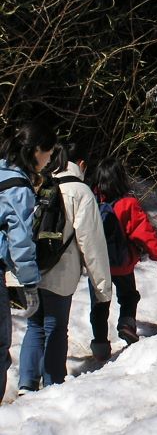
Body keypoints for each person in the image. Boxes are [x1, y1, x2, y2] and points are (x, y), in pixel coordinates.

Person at [18, 143, 112, 389]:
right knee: (56, 327)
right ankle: (53, 385)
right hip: (60, 273)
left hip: (30, 267)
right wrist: (102, 288)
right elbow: (91, 244)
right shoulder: (80, 192)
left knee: (34, 325)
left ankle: (26, 384)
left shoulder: (38, 182)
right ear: (81, 164)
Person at [0, 121, 57, 402]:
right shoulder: (18, 188)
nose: (49, 160)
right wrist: (30, 283)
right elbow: (20, 240)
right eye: (48, 153)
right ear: (36, 151)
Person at [88, 157, 157, 355]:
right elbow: (143, 232)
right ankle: (126, 324)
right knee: (129, 296)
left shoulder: (90, 202)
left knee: (99, 304)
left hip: (97, 264)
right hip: (122, 263)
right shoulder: (127, 203)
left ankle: (99, 344)